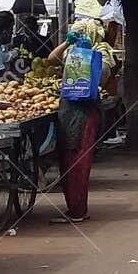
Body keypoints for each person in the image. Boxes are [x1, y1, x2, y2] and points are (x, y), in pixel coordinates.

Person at [46, 19, 117, 224]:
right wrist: (68, 44)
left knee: (79, 162)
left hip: (85, 113)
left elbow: (101, 77)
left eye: (80, 34)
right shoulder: (71, 52)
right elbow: (51, 59)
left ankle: (78, 210)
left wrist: (86, 56)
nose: (78, 38)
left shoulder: (102, 51)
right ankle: (73, 207)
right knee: (67, 160)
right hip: (67, 112)